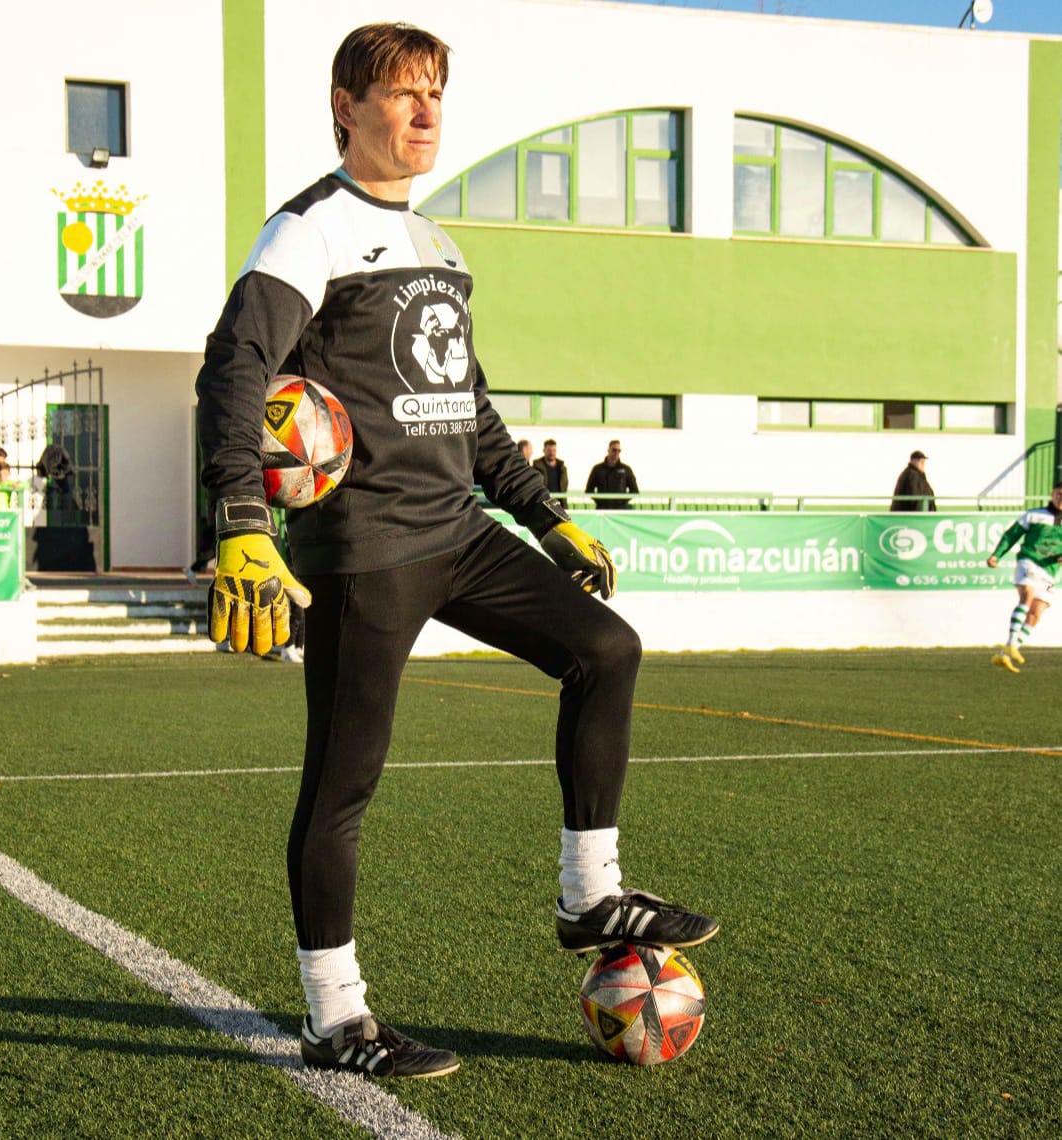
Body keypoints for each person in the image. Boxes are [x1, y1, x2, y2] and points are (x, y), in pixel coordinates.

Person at [194, 22, 717, 1081]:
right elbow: (234, 367)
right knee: (344, 784)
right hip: (367, 547)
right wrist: (242, 525)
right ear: (345, 106)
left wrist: (543, 510)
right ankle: (336, 1021)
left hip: (459, 531)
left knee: (605, 650)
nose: (425, 112)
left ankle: (588, 897)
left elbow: (465, 408)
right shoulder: (309, 232)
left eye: (435, 92)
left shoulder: (439, 247)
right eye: (400, 94)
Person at [986, 481, 1062, 673]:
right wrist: (997, 555)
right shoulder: (1034, 514)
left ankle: (1003, 656)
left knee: (1036, 613)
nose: (1061, 498)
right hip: (1029, 561)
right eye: (1059, 493)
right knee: (1027, 594)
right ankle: (1012, 643)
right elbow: (1011, 535)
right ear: (1052, 494)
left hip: (1049, 570)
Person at [585, 440, 639, 510]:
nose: (616, 453)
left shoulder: (626, 469)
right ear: (608, 450)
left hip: (621, 509)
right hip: (602, 510)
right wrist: (600, 501)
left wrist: (622, 501)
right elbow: (589, 490)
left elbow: (635, 490)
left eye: (619, 451)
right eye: (614, 450)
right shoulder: (597, 469)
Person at [531, 437, 568, 508]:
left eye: (554, 450)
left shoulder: (562, 468)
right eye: (549, 450)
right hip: (543, 503)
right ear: (544, 450)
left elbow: (565, 486)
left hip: (560, 504)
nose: (552, 453)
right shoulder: (537, 467)